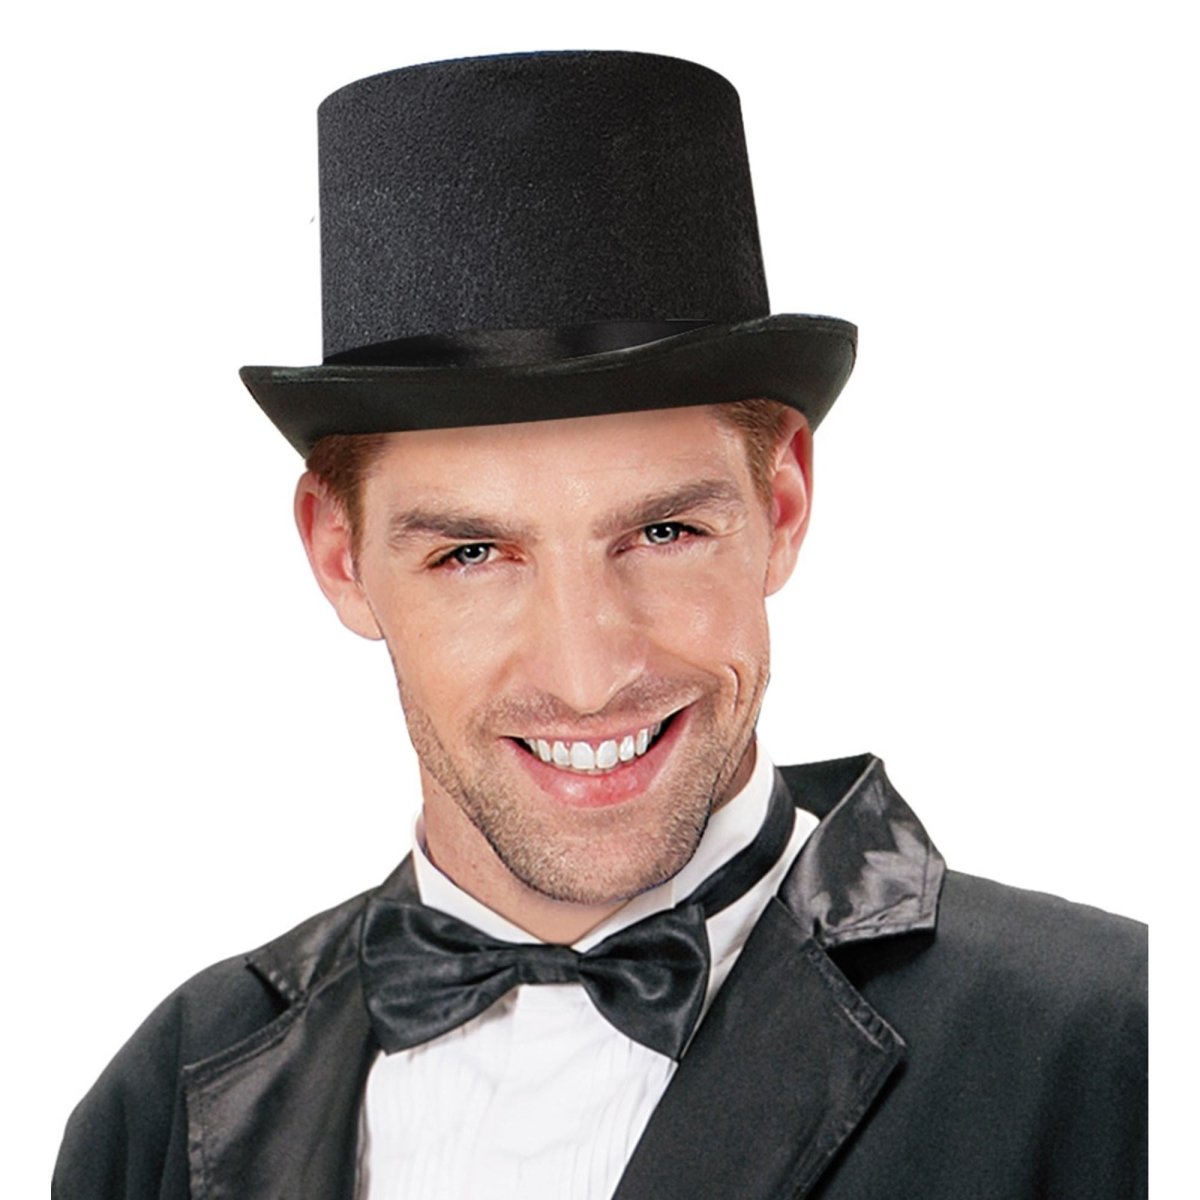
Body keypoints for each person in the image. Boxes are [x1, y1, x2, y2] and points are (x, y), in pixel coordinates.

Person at [53, 50, 1146, 1200]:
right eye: (473, 554)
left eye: (664, 532)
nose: (586, 674)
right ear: (341, 556)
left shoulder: (1116, 1048)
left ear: (781, 506)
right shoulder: (160, 1105)